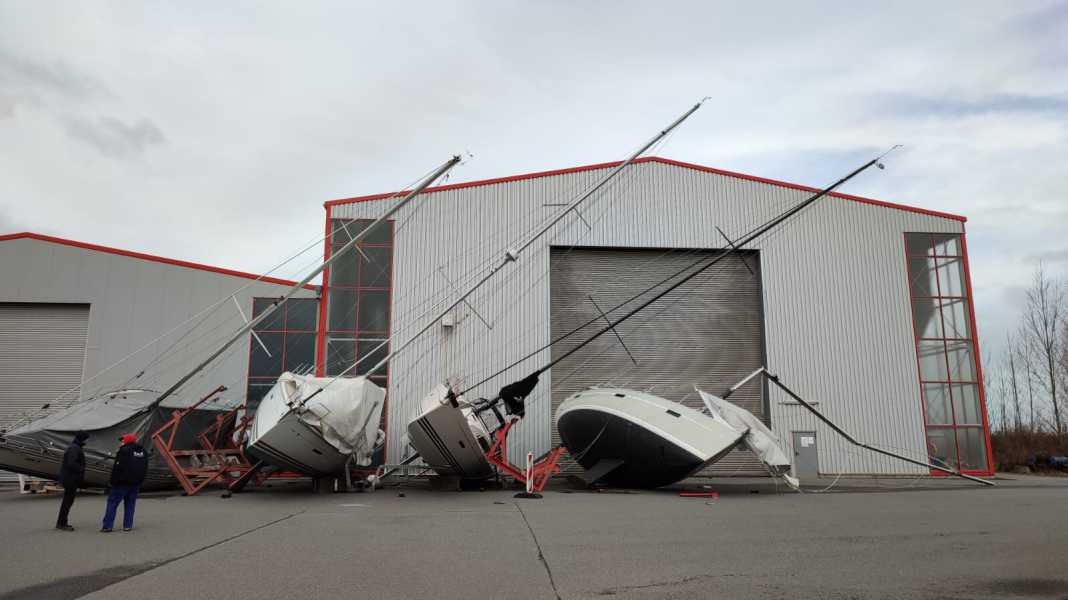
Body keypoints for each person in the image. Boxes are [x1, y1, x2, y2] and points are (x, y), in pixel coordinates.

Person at [101, 433, 149, 532]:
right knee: (130, 504)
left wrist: (112, 482)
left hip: (121, 483)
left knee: (112, 503)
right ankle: (128, 525)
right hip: (136, 483)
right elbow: (145, 467)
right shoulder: (143, 451)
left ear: (127, 440)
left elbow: (117, 468)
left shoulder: (123, 451)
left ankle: (107, 526)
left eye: (122, 440)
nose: (121, 442)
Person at [55, 431, 89, 531]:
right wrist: (81, 469)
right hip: (70, 479)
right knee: (67, 502)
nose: (87, 441)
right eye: (86, 439)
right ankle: (61, 523)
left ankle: (62, 522)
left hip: (70, 478)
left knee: (68, 501)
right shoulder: (74, 448)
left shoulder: (75, 447)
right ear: (82, 439)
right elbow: (71, 463)